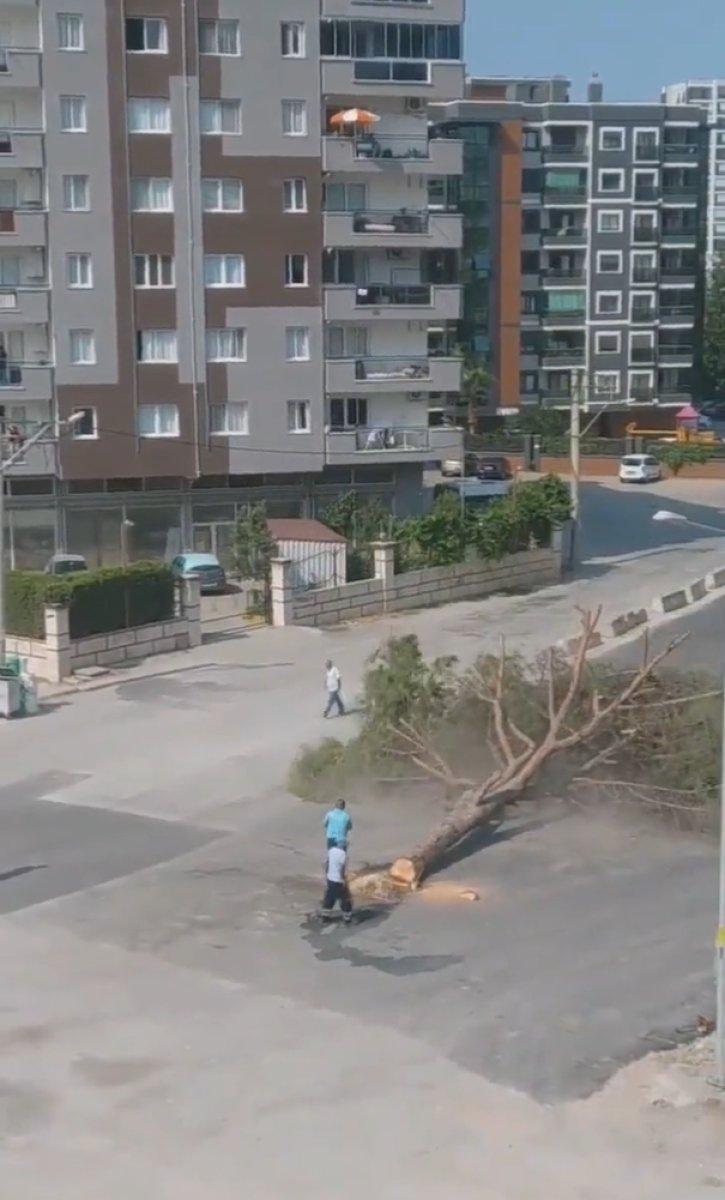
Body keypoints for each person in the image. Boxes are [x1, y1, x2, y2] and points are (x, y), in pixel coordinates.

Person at [320, 841, 353, 924]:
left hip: (330, 878)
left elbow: (327, 863)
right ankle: (347, 918)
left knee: (329, 897)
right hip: (338, 880)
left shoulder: (331, 850)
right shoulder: (343, 855)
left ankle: (325, 916)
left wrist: (327, 874)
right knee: (345, 898)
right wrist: (344, 880)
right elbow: (342, 869)